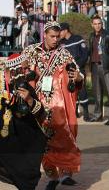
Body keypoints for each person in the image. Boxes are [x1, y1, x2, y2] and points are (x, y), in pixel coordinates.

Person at [22, 21, 83, 190]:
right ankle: (52, 177)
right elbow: (20, 70)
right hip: (38, 104)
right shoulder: (32, 51)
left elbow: (78, 76)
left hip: (60, 106)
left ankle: (65, 174)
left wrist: (77, 77)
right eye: (52, 36)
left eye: (58, 36)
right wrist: (25, 69)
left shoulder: (64, 54)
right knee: (42, 140)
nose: (56, 39)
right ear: (45, 35)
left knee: (64, 137)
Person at [0, 53, 47, 190]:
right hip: (4, 134)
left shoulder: (24, 86)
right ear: (7, 70)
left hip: (22, 134)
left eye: (20, 71)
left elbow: (40, 112)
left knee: (26, 172)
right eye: (13, 72)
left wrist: (29, 100)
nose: (16, 75)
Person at [59, 22, 95, 122]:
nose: (59, 33)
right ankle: (74, 112)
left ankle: (86, 113)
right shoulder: (61, 43)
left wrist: (77, 66)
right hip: (67, 72)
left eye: (61, 31)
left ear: (66, 30)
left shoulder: (78, 39)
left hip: (79, 69)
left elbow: (84, 55)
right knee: (71, 90)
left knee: (82, 90)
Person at [89, 15, 109, 125]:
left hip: (106, 67)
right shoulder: (91, 36)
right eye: (95, 24)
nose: (97, 26)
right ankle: (97, 115)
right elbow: (91, 50)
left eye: (99, 23)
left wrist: (108, 64)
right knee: (97, 93)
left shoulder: (108, 36)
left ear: (102, 24)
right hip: (95, 66)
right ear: (92, 25)